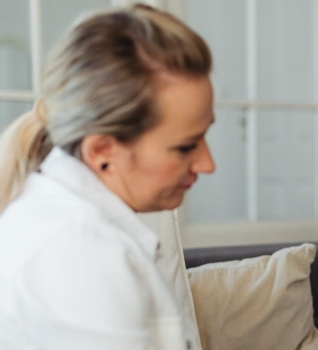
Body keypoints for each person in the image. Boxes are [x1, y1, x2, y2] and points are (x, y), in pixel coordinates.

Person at [0, 4, 215, 349]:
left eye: (205, 135)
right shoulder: (77, 252)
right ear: (101, 151)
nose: (207, 164)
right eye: (186, 146)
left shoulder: (68, 220)